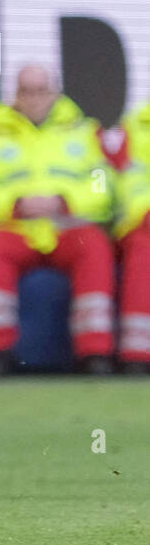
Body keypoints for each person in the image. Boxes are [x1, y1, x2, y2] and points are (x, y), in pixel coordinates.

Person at [0, 65, 117, 375]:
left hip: (68, 225)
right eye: (25, 91)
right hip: (15, 226)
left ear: (55, 93)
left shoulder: (85, 132)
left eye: (40, 90)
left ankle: (95, 353)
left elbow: (105, 184)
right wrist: (14, 204)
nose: (33, 98)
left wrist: (64, 201)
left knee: (96, 248)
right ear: (15, 95)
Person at [111, 100, 150, 374]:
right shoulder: (137, 128)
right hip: (145, 219)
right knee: (143, 246)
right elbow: (128, 184)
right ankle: (137, 353)